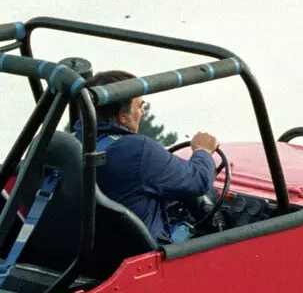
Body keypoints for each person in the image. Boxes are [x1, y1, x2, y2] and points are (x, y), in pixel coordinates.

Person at [82, 70, 220, 244]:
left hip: (80, 258)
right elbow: (199, 180)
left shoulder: (70, 144)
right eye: (140, 106)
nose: (143, 113)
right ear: (123, 117)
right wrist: (203, 151)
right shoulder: (138, 150)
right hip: (135, 262)